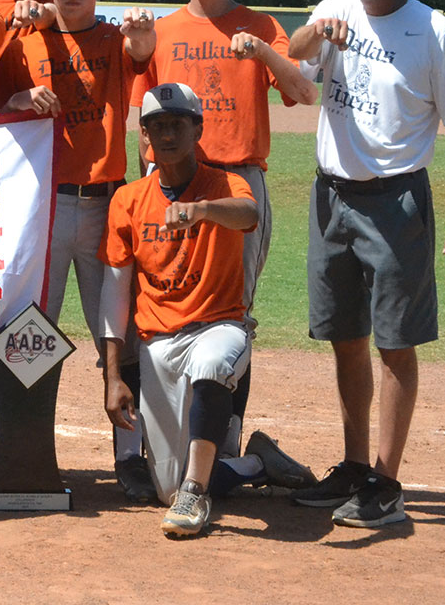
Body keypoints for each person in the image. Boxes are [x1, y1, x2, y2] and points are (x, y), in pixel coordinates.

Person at [286, 0, 445, 528]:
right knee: (345, 336)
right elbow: (294, 65)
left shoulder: (434, 30)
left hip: (396, 202)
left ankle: (387, 484)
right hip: (330, 196)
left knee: (395, 342)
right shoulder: (333, 6)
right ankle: (355, 464)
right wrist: (315, 33)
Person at [132, 0, 319, 457]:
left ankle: (227, 443)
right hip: (169, 181)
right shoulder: (162, 31)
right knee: (159, 301)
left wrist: (262, 52)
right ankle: (157, 443)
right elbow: (143, 119)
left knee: (233, 311)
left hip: (238, 179)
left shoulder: (261, 25)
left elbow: (303, 91)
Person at [99, 82, 315, 539]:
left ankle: (196, 492)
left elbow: (246, 214)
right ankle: (256, 461)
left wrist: (201, 210)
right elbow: (115, 293)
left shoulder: (224, 183)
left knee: (212, 365)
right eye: (157, 126)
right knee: (164, 488)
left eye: (178, 124)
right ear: (144, 136)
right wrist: (114, 375)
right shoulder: (129, 200)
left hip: (219, 327)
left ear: (198, 129)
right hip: (160, 345)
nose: (167, 134)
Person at [0, 0, 157, 500]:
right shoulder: (25, 37)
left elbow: (143, 56)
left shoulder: (115, 38)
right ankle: (24, 454)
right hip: (46, 203)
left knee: (120, 332)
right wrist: (18, 102)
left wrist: (143, 37)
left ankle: (130, 455)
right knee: (32, 328)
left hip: (108, 202)